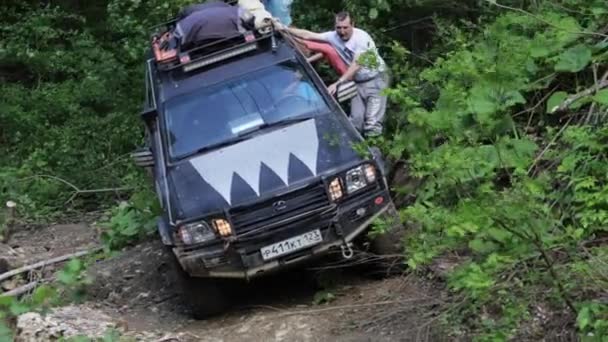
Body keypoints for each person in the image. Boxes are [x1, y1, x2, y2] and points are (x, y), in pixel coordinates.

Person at [276, 11, 389, 137]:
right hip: (357, 82)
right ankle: (356, 150)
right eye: (338, 28)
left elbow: (357, 64)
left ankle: (377, 150)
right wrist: (285, 29)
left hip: (375, 79)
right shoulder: (333, 36)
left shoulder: (361, 38)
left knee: (372, 124)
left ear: (353, 25)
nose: (342, 31)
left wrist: (338, 83)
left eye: (345, 27)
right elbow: (308, 35)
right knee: (355, 121)